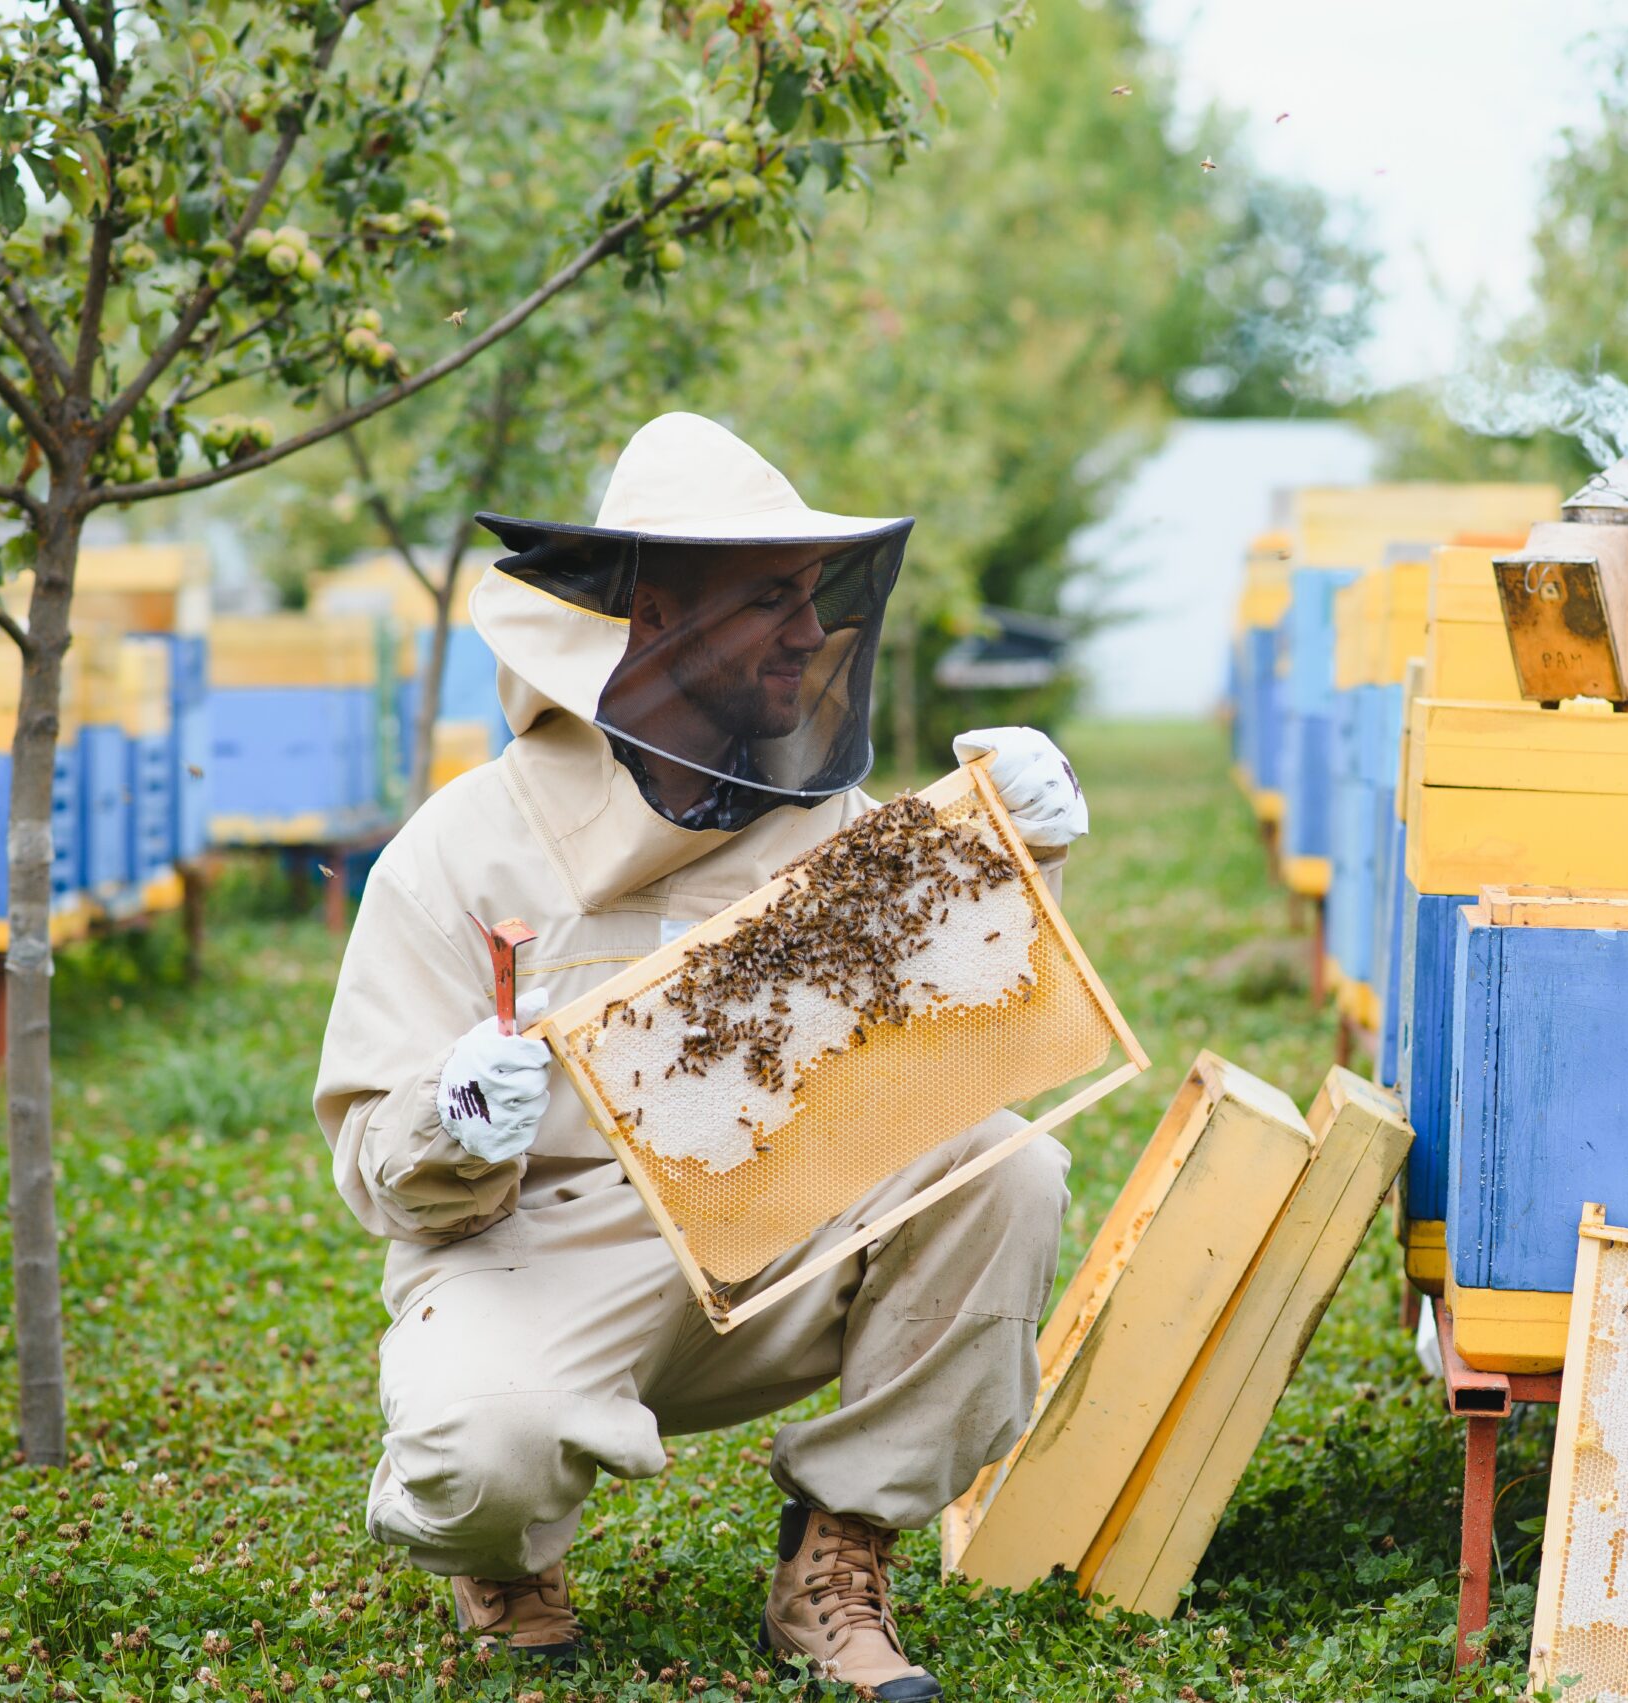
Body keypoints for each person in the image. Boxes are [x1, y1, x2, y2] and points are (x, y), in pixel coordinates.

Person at [313, 413, 1089, 1700]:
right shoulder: (461, 850)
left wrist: (1026, 844)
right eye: (770, 601)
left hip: (772, 1223)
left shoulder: (825, 814)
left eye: (812, 598)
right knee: (480, 1445)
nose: (810, 633)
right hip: (539, 1249)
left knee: (1003, 1170)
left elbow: (959, 1018)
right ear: (656, 616)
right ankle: (502, 1551)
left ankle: (837, 1552)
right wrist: (454, 1109)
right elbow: (377, 1167)